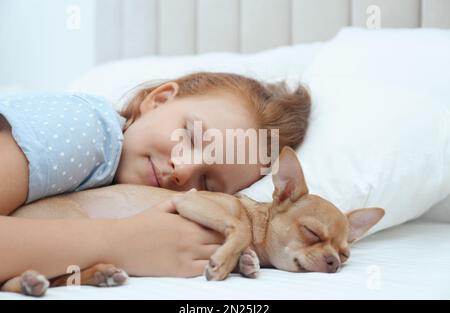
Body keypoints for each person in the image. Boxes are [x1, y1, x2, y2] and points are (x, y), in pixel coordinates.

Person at [0, 72, 310, 282]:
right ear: (158, 100)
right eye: (189, 136)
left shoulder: (102, 184)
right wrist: (122, 242)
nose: (184, 170)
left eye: (206, 184)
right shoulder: (87, 129)